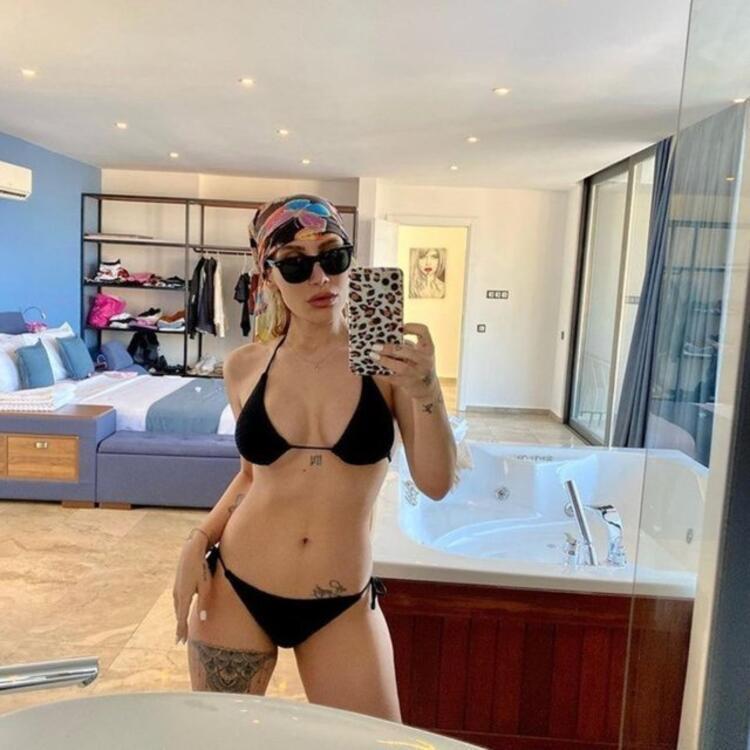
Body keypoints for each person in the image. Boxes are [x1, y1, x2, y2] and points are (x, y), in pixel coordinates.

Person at [173, 194, 456, 721]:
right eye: (295, 265)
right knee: (219, 740)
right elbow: (252, 479)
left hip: (341, 603)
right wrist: (198, 539)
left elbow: (436, 484)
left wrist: (428, 391)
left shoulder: (387, 366)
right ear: (268, 274)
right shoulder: (245, 367)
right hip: (236, 589)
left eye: (333, 257)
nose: (321, 278)